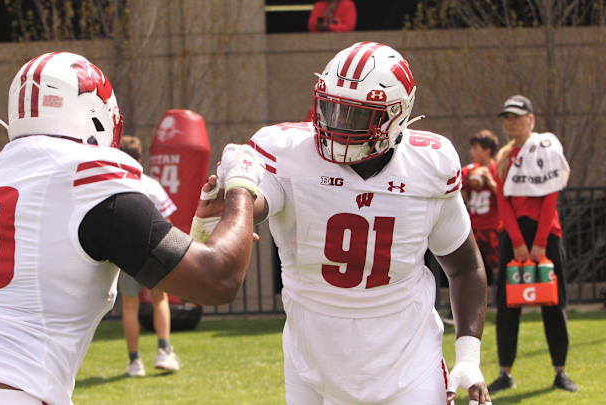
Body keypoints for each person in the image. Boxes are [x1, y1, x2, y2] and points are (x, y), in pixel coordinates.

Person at [0, 51, 264, 405]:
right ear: (96, 115)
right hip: (13, 389)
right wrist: (242, 187)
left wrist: (199, 234)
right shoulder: (86, 177)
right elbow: (218, 279)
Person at [198, 42, 491, 405]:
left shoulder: (428, 167)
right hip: (312, 363)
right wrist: (232, 203)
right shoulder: (289, 153)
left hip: (407, 365)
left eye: (354, 116)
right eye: (330, 107)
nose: (336, 125)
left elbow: (464, 266)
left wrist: (469, 357)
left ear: (394, 116)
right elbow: (256, 202)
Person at [487, 94, 578, 393]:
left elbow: (551, 196)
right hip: (512, 238)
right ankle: (505, 372)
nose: (510, 122)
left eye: (516, 116)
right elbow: (502, 203)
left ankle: (560, 372)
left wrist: (539, 243)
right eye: (507, 118)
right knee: (507, 305)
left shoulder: (547, 150)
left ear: (531, 119)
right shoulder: (502, 158)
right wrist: (517, 242)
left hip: (546, 236)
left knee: (554, 302)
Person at [117, 135, 180, 377]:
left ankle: (135, 362)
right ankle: (164, 351)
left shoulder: (117, 185)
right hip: (153, 249)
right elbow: (168, 222)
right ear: (140, 158)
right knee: (159, 299)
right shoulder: (151, 185)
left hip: (125, 251)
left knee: (130, 306)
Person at [462, 130, 501, 287]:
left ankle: (502, 300)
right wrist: (467, 184)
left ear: (487, 150)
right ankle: (462, 308)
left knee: (498, 266)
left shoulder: (499, 169)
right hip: (473, 227)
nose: (472, 152)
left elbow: (506, 197)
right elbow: (459, 192)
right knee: (470, 267)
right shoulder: (469, 170)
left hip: (493, 227)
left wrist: (491, 183)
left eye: (476, 148)